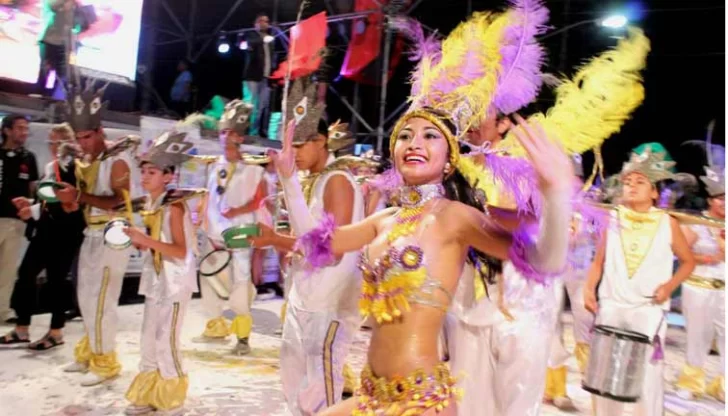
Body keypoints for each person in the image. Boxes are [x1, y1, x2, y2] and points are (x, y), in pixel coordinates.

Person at [260, 77, 364, 414]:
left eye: (300, 145)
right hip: (304, 297)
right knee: (294, 383)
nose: (293, 154)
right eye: (289, 146)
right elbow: (307, 238)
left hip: (329, 303)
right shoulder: (314, 180)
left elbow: (331, 250)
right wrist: (289, 182)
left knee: (320, 391)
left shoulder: (337, 180)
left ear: (321, 141)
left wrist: (275, 239)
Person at [583, 146, 696, 415]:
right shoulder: (612, 218)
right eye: (628, 182)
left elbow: (688, 262)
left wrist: (669, 286)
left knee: (646, 380)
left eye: (640, 182)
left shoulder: (667, 223)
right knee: (606, 377)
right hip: (612, 306)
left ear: (655, 192)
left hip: (647, 311)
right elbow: (598, 262)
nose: (631, 186)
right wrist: (588, 288)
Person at [55, 78, 134, 387]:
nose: (83, 143)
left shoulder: (118, 160)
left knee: (102, 300)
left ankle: (106, 363)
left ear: (100, 131)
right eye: (79, 138)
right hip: (91, 233)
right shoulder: (85, 161)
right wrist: (69, 201)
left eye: (87, 136)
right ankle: (89, 352)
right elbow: (83, 203)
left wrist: (78, 196)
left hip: (115, 234)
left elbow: (119, 201)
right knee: (85, 298)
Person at [124, 132, 200, 416]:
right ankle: (147, 393)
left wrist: (145, 240)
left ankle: (172, 399)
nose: (144, 176)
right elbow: (158, 243)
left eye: (152, 172)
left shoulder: (174, 206)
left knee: (166, 340)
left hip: (175, 280)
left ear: (168, 176)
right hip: (155, 279)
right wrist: (142, 242)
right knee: (147, 339)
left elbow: (180, 251)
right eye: (143, 171)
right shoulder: (151, 203)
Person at [0, 123, 84, 350]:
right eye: (51, 142)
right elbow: (49, 200)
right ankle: (22, 328)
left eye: (58, 142)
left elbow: (68, 202)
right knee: (26, 274)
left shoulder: (76, 167)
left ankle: (56, 332)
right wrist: (31, 204)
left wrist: (34, 209)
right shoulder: (51, 166)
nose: (54, 147)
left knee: (56, 280)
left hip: (66, 231)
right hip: (46, 229)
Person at [194, 100, 267, 355]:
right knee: (208, 280)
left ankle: (243, 338)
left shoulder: (253, 170)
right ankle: (215, 327)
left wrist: (237, 211)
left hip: (239, 234)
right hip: (213, 234)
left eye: (231, 133)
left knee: (240, 284)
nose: (226, 137)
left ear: (240, 138)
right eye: (224, 132)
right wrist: (200, 216)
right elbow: (208, 196)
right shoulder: (214, 166)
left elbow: (260, 200)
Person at [675, 147, 725, 403]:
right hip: (698, 287)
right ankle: (691, 382)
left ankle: (723, 385)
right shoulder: (697, 223)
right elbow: (680, 253)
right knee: (698, 337)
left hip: (725, 289)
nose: (724, 203)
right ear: (710, 201)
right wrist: (707, 258)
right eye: (720, 198)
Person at [0, 114, 39, 323]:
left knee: (8, 269)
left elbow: (32, 188)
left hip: (16, 221)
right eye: (20, 128)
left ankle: (2, 311)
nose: (24, 132)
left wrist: (31, 213)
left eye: (26, 128)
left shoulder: (29, 157)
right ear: (7, 130)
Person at [242, 13, 276, 137]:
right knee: (250, 105)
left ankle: (254, 133)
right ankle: (244, 131)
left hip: (265, 77)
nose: (265, 23)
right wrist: (263, 40)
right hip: (252, 76)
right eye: (261, 21)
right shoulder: (251, 34)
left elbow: (271, 59)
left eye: (266, 21)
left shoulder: (270, 40)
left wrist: (273, 77)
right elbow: (250, 43)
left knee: (261, 107)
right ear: (256, 23)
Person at [38, 0, 76, 96]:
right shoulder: (59, 3)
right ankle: (41, 92)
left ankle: (51, 94)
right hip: (51, 40)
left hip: (66, 44)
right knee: (46, 68)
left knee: (61, 72)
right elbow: (51, 5)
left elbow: (84, 22)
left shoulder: (77, 5)